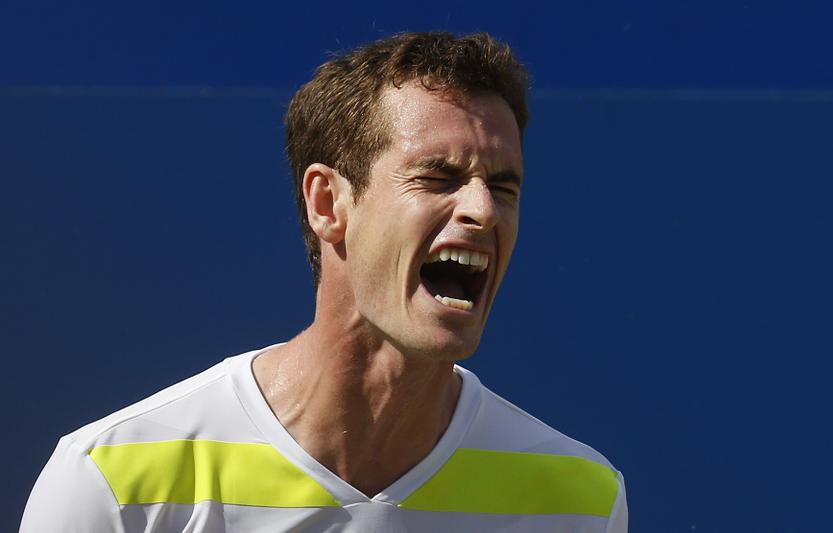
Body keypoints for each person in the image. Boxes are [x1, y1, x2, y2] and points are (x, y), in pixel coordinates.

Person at [21, 32, 628, 532]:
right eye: (438, 177)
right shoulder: (113, 481)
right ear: (328, 203)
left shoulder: (580, 500)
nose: (484, 211)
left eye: (503, 187)